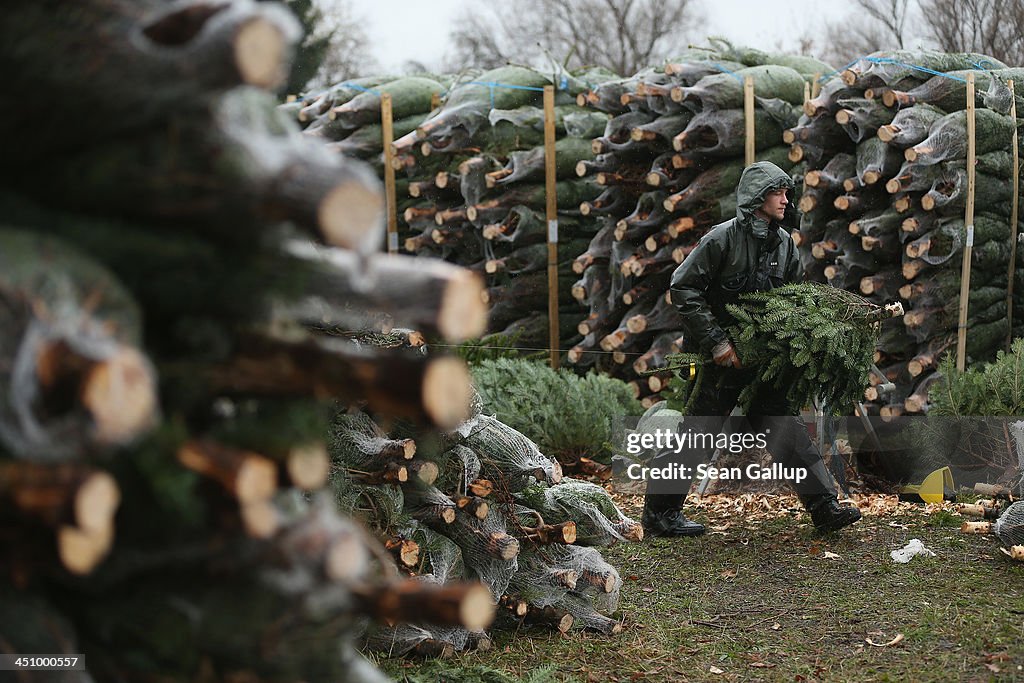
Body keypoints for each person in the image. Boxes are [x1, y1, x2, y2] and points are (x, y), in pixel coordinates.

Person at [640, 160, 863, 537]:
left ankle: (825, 507)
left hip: (764, 360)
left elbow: (796, 301)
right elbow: (683, 287)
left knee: (785, 428)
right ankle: (659, 514)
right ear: (758, 196)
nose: (785, 199)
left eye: (787, 192)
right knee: (700, 432)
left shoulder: (785, 246)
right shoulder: (721, 239)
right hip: (719, 359)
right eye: (778, 192)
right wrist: (718, 343)